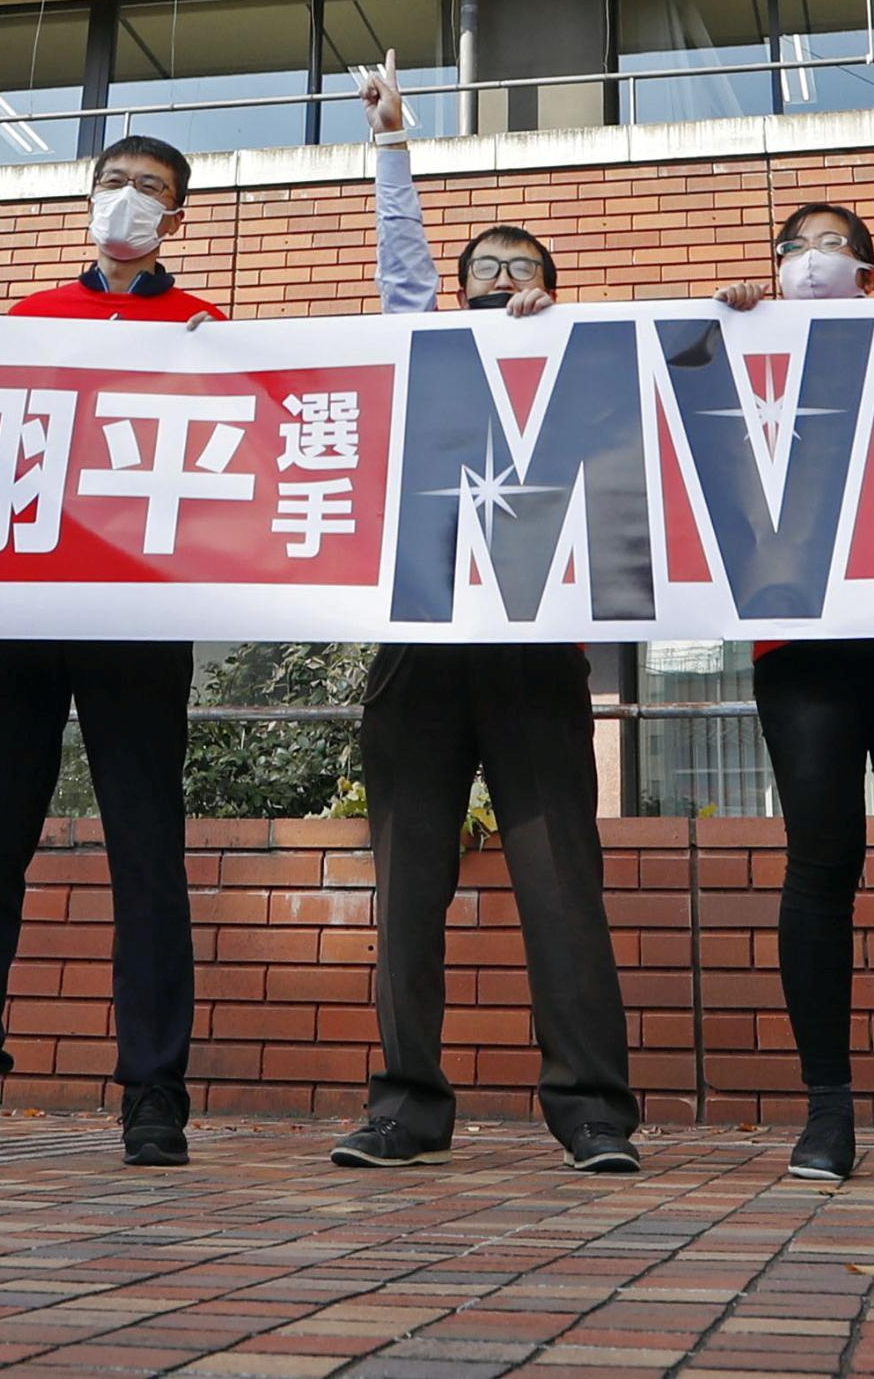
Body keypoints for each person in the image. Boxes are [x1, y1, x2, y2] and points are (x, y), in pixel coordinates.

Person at [327, 62, 641, 1176]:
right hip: (419, 648)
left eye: (519, 269)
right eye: (481, 269)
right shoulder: (424, 347)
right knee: (409, 889)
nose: (496, 280)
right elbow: (402, 269)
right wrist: (395, 146)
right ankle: (404, 1105)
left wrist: (565, 336)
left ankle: (593, 1111)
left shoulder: (588, 367)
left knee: (561, 888)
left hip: (533, 652)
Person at [0, 134, 220, 1170]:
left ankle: (154, 1093)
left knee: (146, 856)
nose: (128, 202)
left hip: (141, 617)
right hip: (26, 603)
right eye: (114, 184)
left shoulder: (205, 329)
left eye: (151, 191)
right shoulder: (29, 318)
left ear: (177, 216)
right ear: (89, 199)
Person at [715, 204, 874, 1184]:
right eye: (794, 245)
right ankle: (827, 1112)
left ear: (869, 264)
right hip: (801, 634)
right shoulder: (748, 346)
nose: (811, 258)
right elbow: (678, 418)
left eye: (831, 243)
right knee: (818, 865)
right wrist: (722, 329)